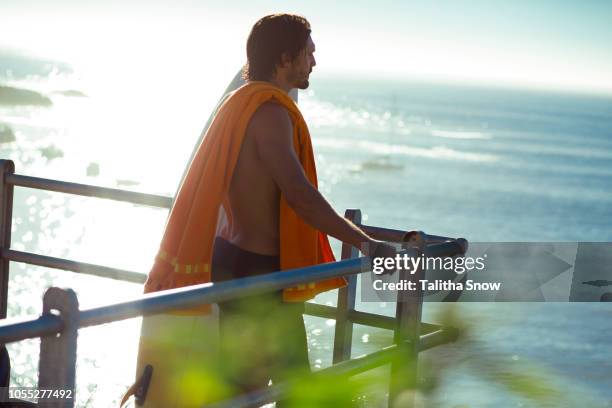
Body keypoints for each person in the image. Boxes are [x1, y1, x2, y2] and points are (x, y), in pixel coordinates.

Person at [208, 13, 394, 403]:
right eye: (309, 53)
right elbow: (300, 195)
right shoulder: (271, 114)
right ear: (284, 58)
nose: (314, 62)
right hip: (260, 274)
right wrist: (366, 243)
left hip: (233, 259)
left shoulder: (239, 105)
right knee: (293, 389)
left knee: (245, 386)